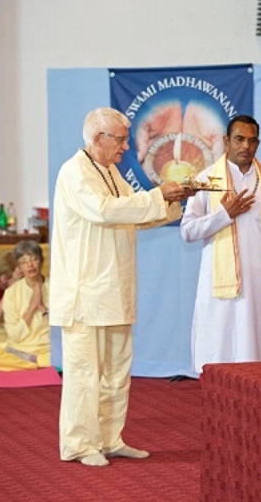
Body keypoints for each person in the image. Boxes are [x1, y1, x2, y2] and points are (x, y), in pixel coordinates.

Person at [50, 107, 192, 467]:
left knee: (116, 371)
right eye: (121, 139)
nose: (127, 147)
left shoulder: (111, 171)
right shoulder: (74, 171)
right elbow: (104, 210)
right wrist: (158, 195)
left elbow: (133, 214)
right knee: (84, 373)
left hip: (115, 287)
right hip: (85, 291)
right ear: (98, 139)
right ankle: (80, 444)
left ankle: (109, 437)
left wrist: (170, 201)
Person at [180, 114, 261, 373]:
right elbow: (187, 231)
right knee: (223, 343)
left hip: (259, 280)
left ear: (258, 143)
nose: (246, 146)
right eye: (239, 139)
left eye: (252, 141)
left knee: (257, 346)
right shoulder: (208, 179)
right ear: (226, 141)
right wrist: (224, 215)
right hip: (221, 283)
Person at [0, 240, 51, 371]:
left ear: (41, 261)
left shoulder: (55, 287)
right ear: (19, 267)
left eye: (34, 259)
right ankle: (36, 363)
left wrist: (42, 308)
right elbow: (14, 335)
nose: (30, 265)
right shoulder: (11, 292)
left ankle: (37, 361)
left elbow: (59, 329)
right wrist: (32, 308)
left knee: (71, 354)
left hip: (48, 347)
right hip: (20, 349)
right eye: (24, 261)